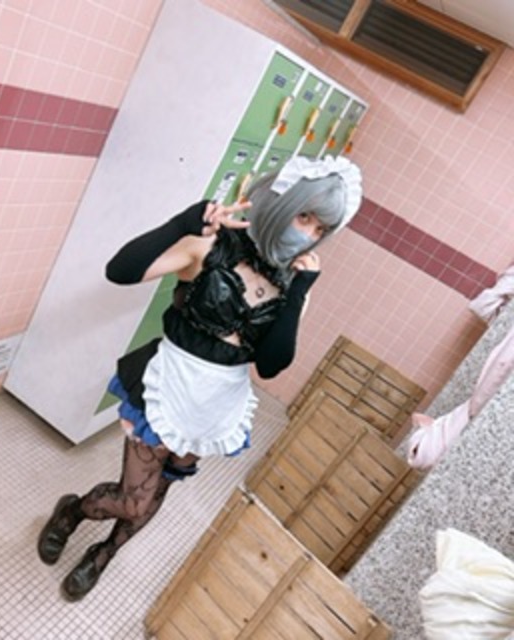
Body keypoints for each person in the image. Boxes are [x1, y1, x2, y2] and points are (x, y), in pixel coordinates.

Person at [37, 155, 363, 601]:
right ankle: (71, 512)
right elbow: (120, 271)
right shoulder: (211, 247)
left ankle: (103, 554)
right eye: (304, 217)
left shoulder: (295, 284)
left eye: (321, 229)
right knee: (134, 499)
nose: (308, 235)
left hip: (217, 403)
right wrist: (181, 224)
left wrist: (300, 293)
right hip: (170, 383)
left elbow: (270, 365)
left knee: (160, 488)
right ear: (279, 203)